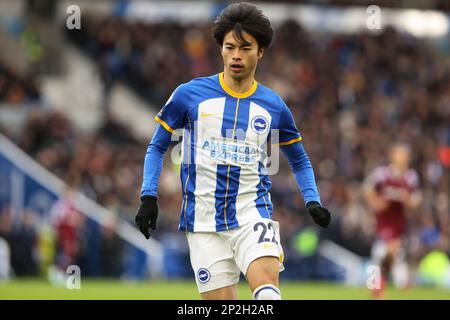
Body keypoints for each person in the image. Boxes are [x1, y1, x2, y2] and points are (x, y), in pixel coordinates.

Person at [135, 2, 331, 300]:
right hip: (202, 221)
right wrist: (148, 195)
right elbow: (157, 145)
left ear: (260, 51)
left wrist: (312, 200)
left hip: (252, 212)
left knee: (267, 295)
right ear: (221, 49)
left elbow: (299, 159)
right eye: (229, 47)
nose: (236, 55)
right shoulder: (189, 95)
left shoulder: (274, 105)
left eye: (245, 48)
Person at [363, 143, 422, 299]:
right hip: (382, 220)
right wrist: (376, 203)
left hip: (399, 221)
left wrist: (407, 200)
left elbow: (416, 201)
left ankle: (394, 284)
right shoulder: (382, 174)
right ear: (393, 156)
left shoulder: (411, 176)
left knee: (395, 253)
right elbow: (367, 189)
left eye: (404, 155)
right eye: (399, 154)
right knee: (381, 251)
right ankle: (382, 286)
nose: (402, 158)